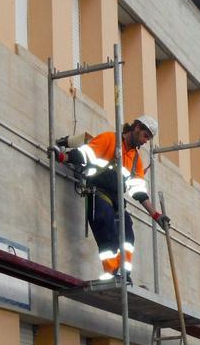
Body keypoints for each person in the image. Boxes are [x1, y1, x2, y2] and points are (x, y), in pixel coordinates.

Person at [58, 115, 170, 280]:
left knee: (127, 234)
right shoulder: (110, 139)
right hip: (98, 192)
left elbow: (139, 192)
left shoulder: (135, 160)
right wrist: (63, 157)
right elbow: (85, 154)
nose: (146, 141)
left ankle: (123, 274)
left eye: (149, 138)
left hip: (117, 200)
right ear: (137, 127)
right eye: (146, 136)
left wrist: (156, 215)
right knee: (106, 225)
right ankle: (112, 272)